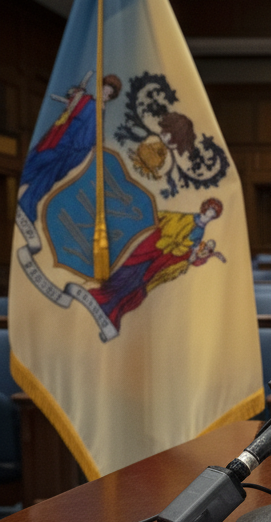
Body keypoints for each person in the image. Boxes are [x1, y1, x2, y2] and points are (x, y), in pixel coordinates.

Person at [87, 198, 223, 332]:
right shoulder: (188, 218)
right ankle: (101, 296)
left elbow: (184, 250)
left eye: (214, 213)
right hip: (152, 249)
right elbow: (164, 217)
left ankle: (112, 311)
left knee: (138, 284)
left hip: (161, 260)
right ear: (205, 208)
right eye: (211, 209)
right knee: (127, 272)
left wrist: (190, 254)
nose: (211, 213)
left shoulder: (199, 231)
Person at [18, 74, 122, 223]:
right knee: (39, 165)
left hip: (74, 152)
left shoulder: (100, 110)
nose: (105, 95)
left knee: (50, 177)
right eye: (104, 90)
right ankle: (25, 201)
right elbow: (72, 112)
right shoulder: (88, 101)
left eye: (108, 94)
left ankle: (28, 202)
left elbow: (92, 134)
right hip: (63, 144)